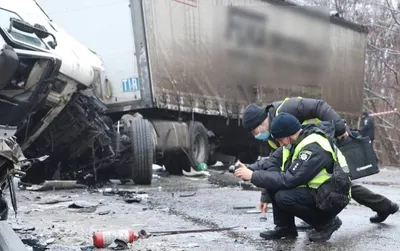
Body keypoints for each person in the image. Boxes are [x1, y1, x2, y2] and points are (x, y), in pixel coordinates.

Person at [241, 97, 398, 224]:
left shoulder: (286, 108)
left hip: (322, 142)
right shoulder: (273, 135)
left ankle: (380, 207)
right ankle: (384, 206)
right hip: (309, 154)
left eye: (254, 131)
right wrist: (266, 195)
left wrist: (339, 128)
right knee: (334, 183)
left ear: (261, 123)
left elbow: (319, 106)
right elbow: (279, 165)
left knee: (337, 183)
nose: (256, 136)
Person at [235, 112, 348, 242]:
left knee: (284, 197)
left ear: (288, 135)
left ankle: (327, 223)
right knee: (272, 181)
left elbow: (290, 179)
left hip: (334, 194)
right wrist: (248, 168)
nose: (279, 143)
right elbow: (270, 162)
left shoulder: (313, 146)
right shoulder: (293, 142)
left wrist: (253, 176)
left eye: (279, 139)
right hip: (318, 190)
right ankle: (285, 228)